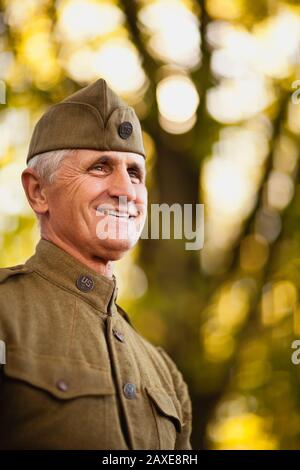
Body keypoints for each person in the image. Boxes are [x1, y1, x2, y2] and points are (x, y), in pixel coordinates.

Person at [0, 78, 192, 450]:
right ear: (39, 191)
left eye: (134, 173)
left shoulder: (165, 372)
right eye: (100, 168)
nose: (125, 191)